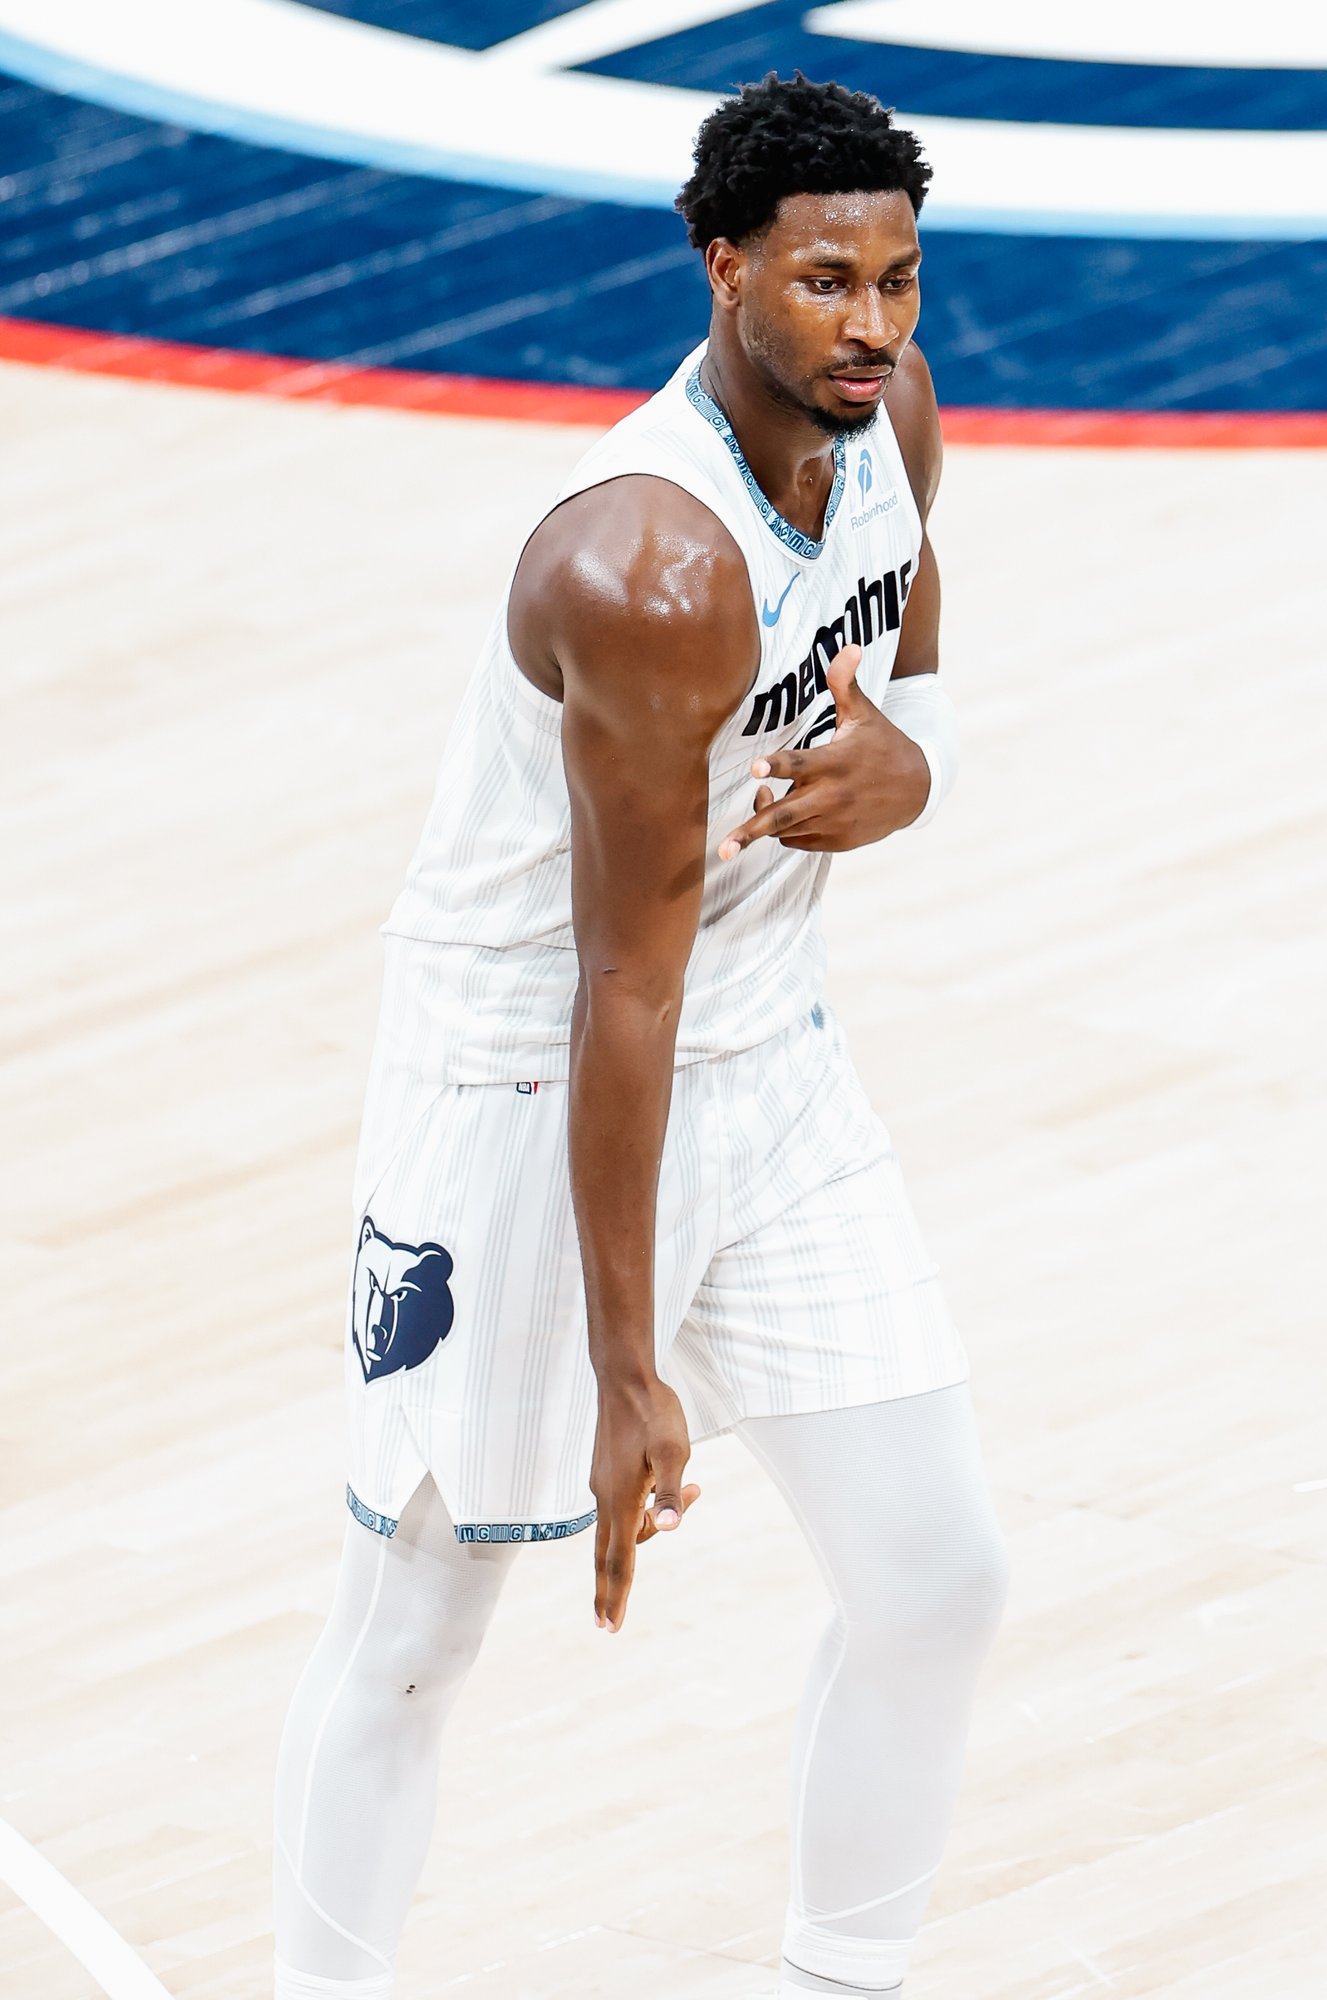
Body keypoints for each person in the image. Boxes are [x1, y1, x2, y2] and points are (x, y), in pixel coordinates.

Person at [271, 76, 1009, 2000]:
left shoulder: (888, 422)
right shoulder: (647, 564)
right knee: (419, 1630)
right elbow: (622, 985)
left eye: (902, 282)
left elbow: (901, 705)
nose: (873, 325)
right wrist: (626, 1372)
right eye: (827, 280)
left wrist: (916, 777)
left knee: (937, 1581)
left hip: (768, 1051)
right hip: (526, 1088)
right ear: (723, 268)